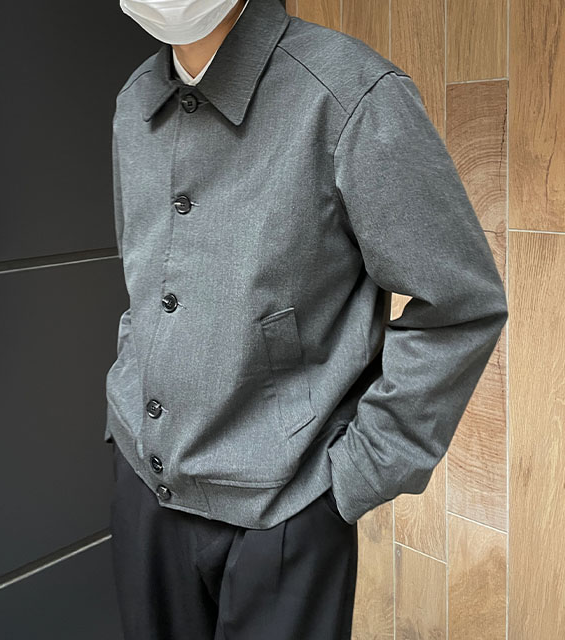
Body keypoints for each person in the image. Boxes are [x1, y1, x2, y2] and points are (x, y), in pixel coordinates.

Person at [106, 0, 509, 638]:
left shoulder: (349, 94)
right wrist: (127, 404)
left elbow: (459, 304)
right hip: (145, 493)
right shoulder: (134, 104)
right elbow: (144, 282)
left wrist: (354, 477)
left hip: (285, 509)